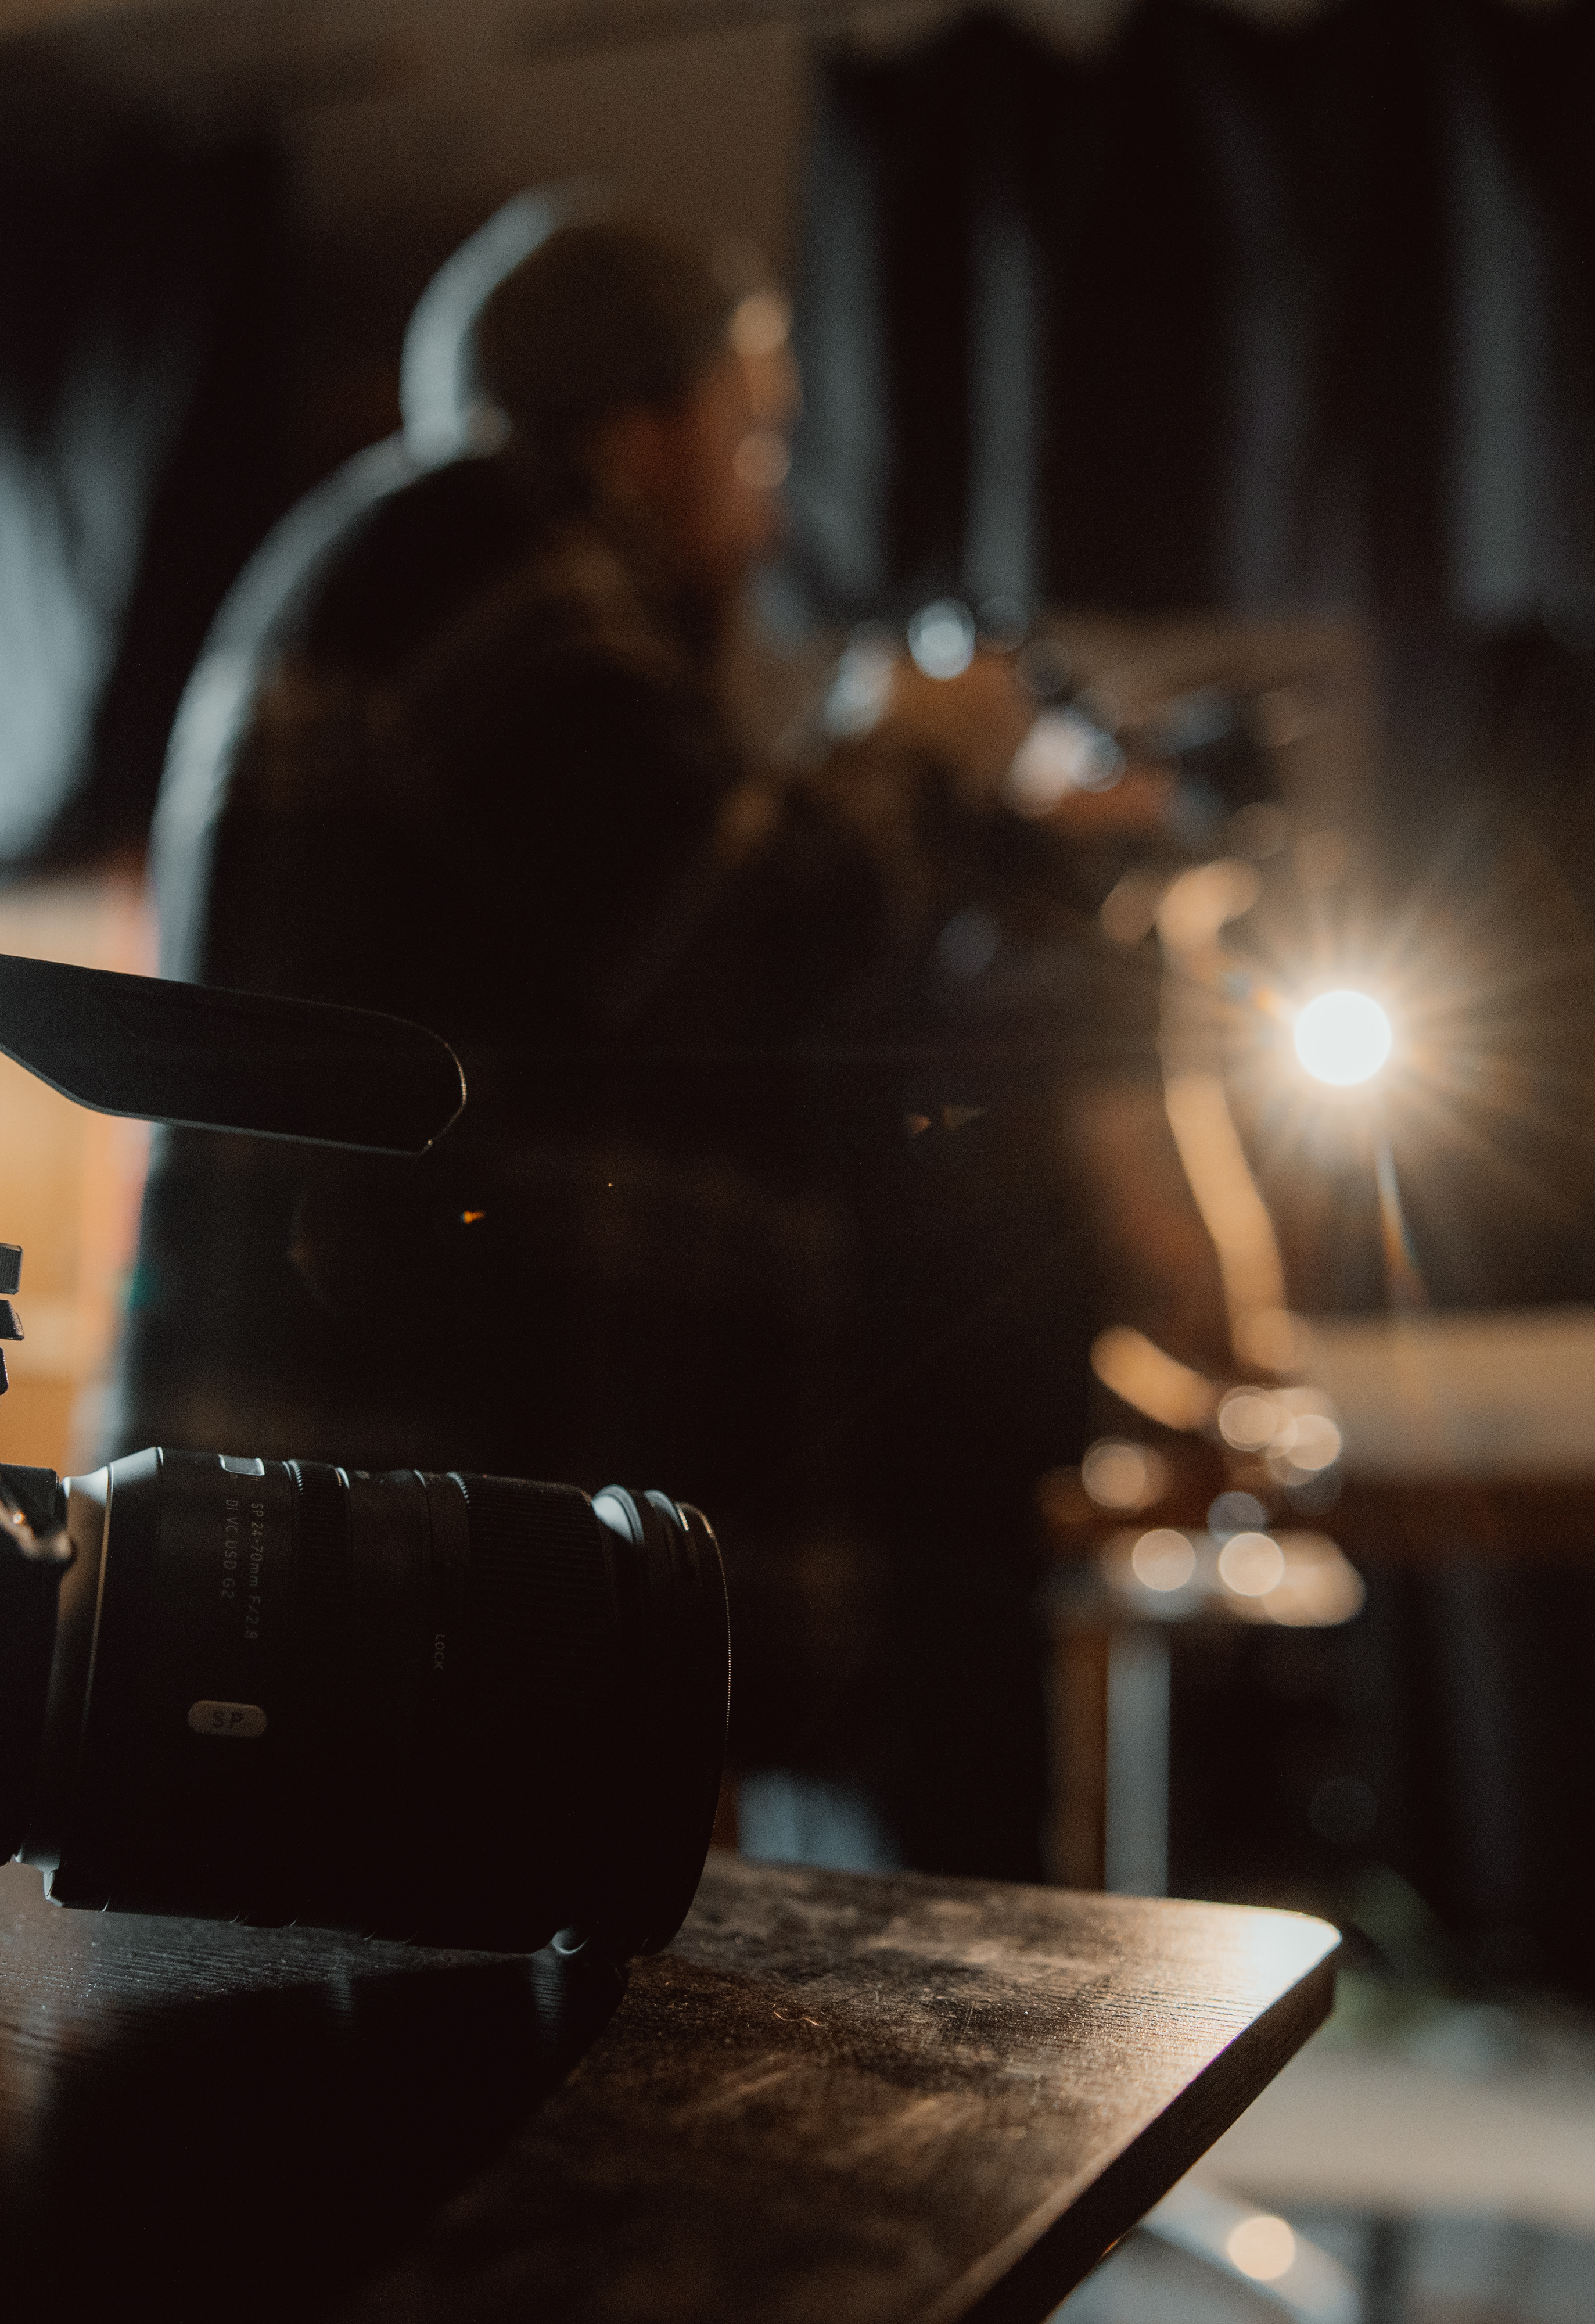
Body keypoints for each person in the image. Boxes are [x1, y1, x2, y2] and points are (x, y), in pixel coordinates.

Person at [116, 200, 1113, 1875]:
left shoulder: (454, 572)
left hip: (434, 1506)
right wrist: (914, 744)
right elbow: (727, 929)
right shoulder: (481, 531)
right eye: (756, 427)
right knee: (410, 2059)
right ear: (645, 422)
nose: (772, 490)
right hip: (428, 1504)